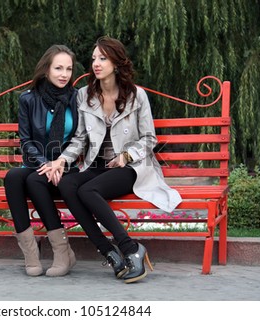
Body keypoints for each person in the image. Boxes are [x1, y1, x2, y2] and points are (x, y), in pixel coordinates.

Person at [39, 36, 182, 283]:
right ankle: (108, 252)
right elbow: (80, 138)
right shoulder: (85, 95)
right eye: (94, 58)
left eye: (103, 58)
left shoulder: (137, 96)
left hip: (131, 166)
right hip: (96, 164)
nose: (96, 63)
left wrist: (126, 156)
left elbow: (149, 138)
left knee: (88, 190)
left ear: (116, 63)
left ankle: (130, 249)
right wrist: (62, 160)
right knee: (67, 185)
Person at [4, 45, 80, 277]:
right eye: (58, 68)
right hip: (38, 164)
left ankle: (61, 251)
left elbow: (81, 138)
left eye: (68, 69)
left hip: (67, 167)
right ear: (46, 69)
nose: (64, 74)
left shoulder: (77, 99)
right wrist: (45, 164)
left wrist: (59, 163)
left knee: (34, 181)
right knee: (13, 177)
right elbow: (26, 140)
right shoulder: (29, 99)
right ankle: (30, 254)